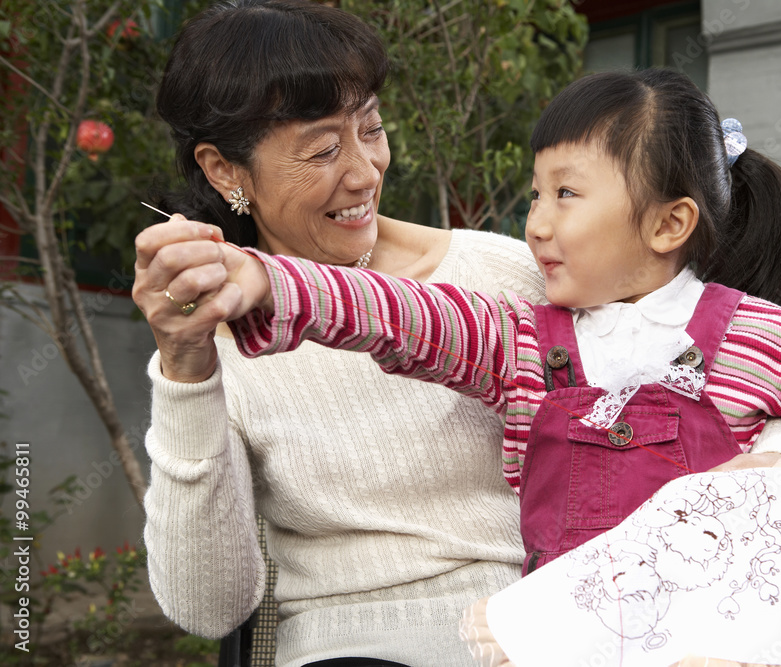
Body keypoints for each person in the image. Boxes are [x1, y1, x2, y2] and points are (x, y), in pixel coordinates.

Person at [158, 69, 781, 582]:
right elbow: (397, 314)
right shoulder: (518, 340)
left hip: (716, 633)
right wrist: (265, 278)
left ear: (669, 222)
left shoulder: (762, 338)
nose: (536, 222)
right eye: (537, 192)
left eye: (567, 194)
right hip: (562, 633)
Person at [132, 1, 550, 665]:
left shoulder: (504, 274)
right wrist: (184, 370)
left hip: (542, 628)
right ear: (223, 169)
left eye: (372, 128)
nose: (364, 172)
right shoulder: (218, 344)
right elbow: (207, 607)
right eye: (323, 149)